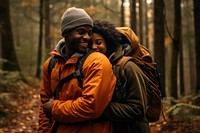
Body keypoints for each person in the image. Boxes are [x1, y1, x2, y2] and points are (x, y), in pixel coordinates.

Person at [37, 7, 116, 133]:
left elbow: (91, 106)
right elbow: (44, 105)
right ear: (65, 33)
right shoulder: (51, 64)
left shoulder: (98, 61)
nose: (87, 37)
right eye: (81, 32)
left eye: (89, 32)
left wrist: (54, 108)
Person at [91, 20, 151, 133]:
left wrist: (98, 109)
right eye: (90, 44)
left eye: (98, 42)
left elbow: (138, 109)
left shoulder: (128, 67)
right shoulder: (99, 67)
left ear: (108, 42)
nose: (94, 47)